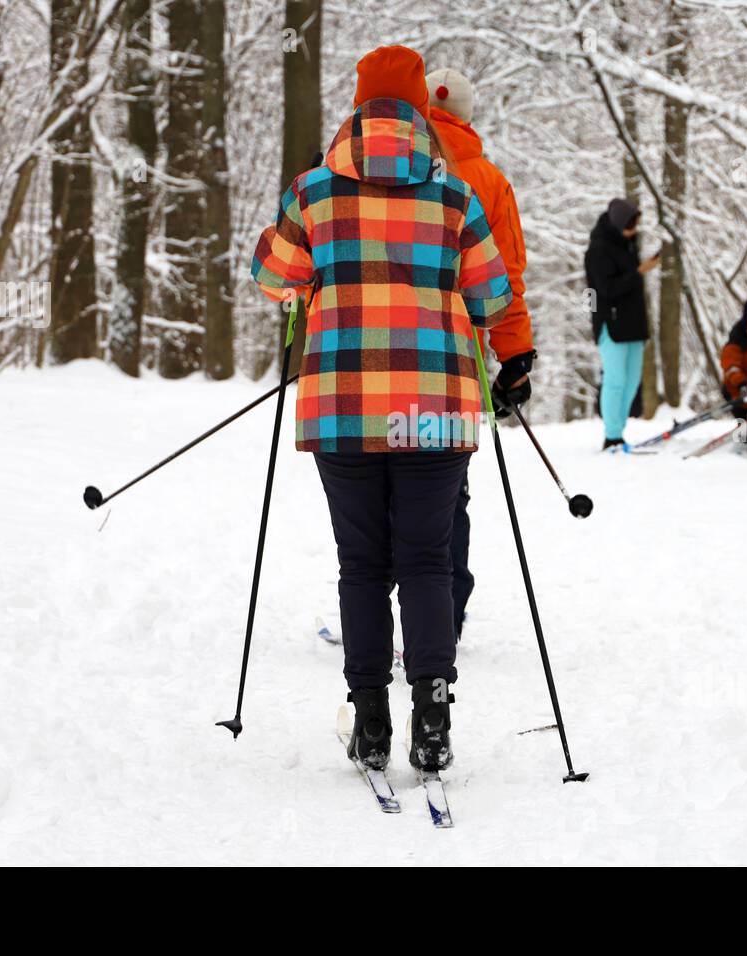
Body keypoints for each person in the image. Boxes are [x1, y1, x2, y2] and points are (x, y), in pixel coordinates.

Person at [250, 46, 512, 773]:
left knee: (361, 564)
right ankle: (432, 710)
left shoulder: (315, 191)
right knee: (427, 559)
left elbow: (270, 276)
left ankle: (370, 719)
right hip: (437, 411)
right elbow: (493, 296)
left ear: (359, 106)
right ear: (421, 114)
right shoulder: (455, 196)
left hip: (345, 408)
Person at [425, 66, 534, 642]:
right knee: (446, 489)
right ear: (466, 115)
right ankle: (445, 609)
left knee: (382, 483)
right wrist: (515, 355)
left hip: (381, 351)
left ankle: (386, 609)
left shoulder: (388, 168)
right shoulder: (489, 182)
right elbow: (507, 275)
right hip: (457, 354)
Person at [585, 198, 661, 451]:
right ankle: (612, 435)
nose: (634, 231)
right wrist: (639, 272)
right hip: (612, 325)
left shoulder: (628, 245)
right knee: (615, 380)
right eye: (631, 226)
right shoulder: (598, 250)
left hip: (633, 325)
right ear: (619, 224)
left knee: (631, 382)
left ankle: (619, 431)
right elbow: (605, 289)